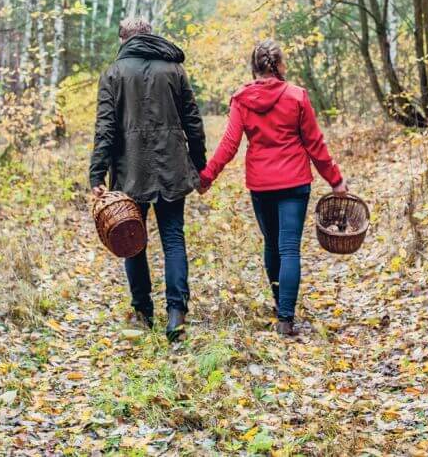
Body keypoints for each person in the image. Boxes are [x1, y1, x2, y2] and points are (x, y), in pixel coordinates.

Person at [198, 39, 347, 338]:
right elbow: (315, 144)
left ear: (254, 67)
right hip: (294, 182)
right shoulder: (297, 97)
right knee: (289, 247)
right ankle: (285, 318)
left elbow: (229, 143)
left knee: (271, 243)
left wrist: (207, 176)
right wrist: (335, 179)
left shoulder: (241, 99)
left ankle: (281, 304)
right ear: (279, 66)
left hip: (261, 184)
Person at [89, 18, 206, 341]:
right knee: (173, 239)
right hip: (172, 168)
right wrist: (199, 165)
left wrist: (97, 173)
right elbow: (193, 121)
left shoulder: (114, 74)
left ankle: (142, 312)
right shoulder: (174, 70)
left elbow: (105, 129)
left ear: (124, 39)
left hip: (130, 171)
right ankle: (176, 314)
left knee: (131, 240)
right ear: (150, 36)